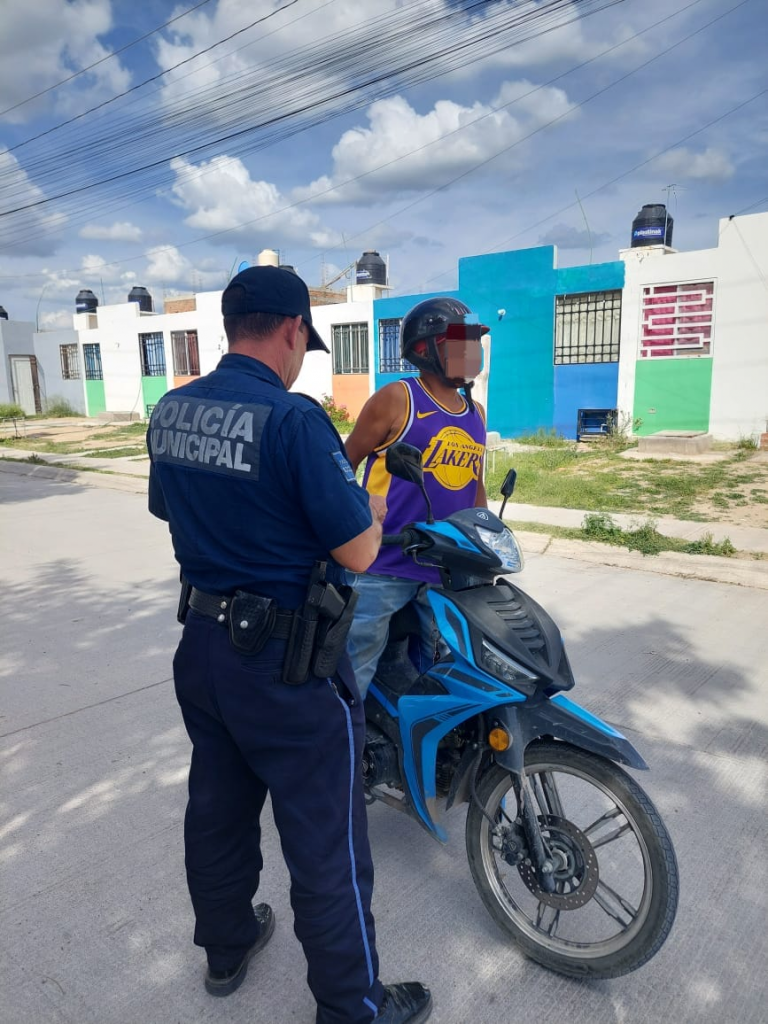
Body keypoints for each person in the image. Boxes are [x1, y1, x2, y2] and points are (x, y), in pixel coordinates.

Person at [146, 265, 432, 1024]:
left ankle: (227, 946)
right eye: (306, 340)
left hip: (202, 650)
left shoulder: (171, 409)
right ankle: (352, 1008)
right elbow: (359, 551)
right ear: (293, 330)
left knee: (218, 807)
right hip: (287, 663)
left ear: (230, 327)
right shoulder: (294, 419)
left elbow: (168, 508)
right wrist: (371, 506)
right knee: (327, 844)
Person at [344, 297, 489, 698]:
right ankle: (342, 733)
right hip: (383, 563)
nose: (470, 352)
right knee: (354, 668)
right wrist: (360, 508)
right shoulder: (398, 398)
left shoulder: (475, 411)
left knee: (445, 671)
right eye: (460, 343)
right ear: (424, 349)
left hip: (447, 566)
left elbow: (475, 484)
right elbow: (343, 464)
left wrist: (484, 539)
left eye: (473, 343)